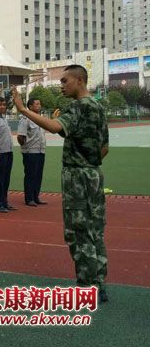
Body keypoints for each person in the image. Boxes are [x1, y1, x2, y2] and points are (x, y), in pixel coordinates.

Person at [11, 65, 110, 302]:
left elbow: (55, 127)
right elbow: (104, 148)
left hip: (77, 177)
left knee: (78, 232)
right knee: (95, 231)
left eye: (65, 81)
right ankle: (99, 283)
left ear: (79, 80)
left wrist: (23, 109)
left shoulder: (78, 106)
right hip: (94, 174)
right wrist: (89, 163)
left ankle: (87, 287)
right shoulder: (98, 107)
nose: (62, 85)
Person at [17, 98, 47, 206]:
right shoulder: (25, 119)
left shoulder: (40, 118)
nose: (39, 105)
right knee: (31, 175)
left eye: (40, 103)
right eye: (37, 104)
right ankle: (29, 199)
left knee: (38, 175)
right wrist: (26, 148)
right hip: (30, 152)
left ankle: (36, 197)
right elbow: (20, 136)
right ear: (30, 106)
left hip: (41, 150)